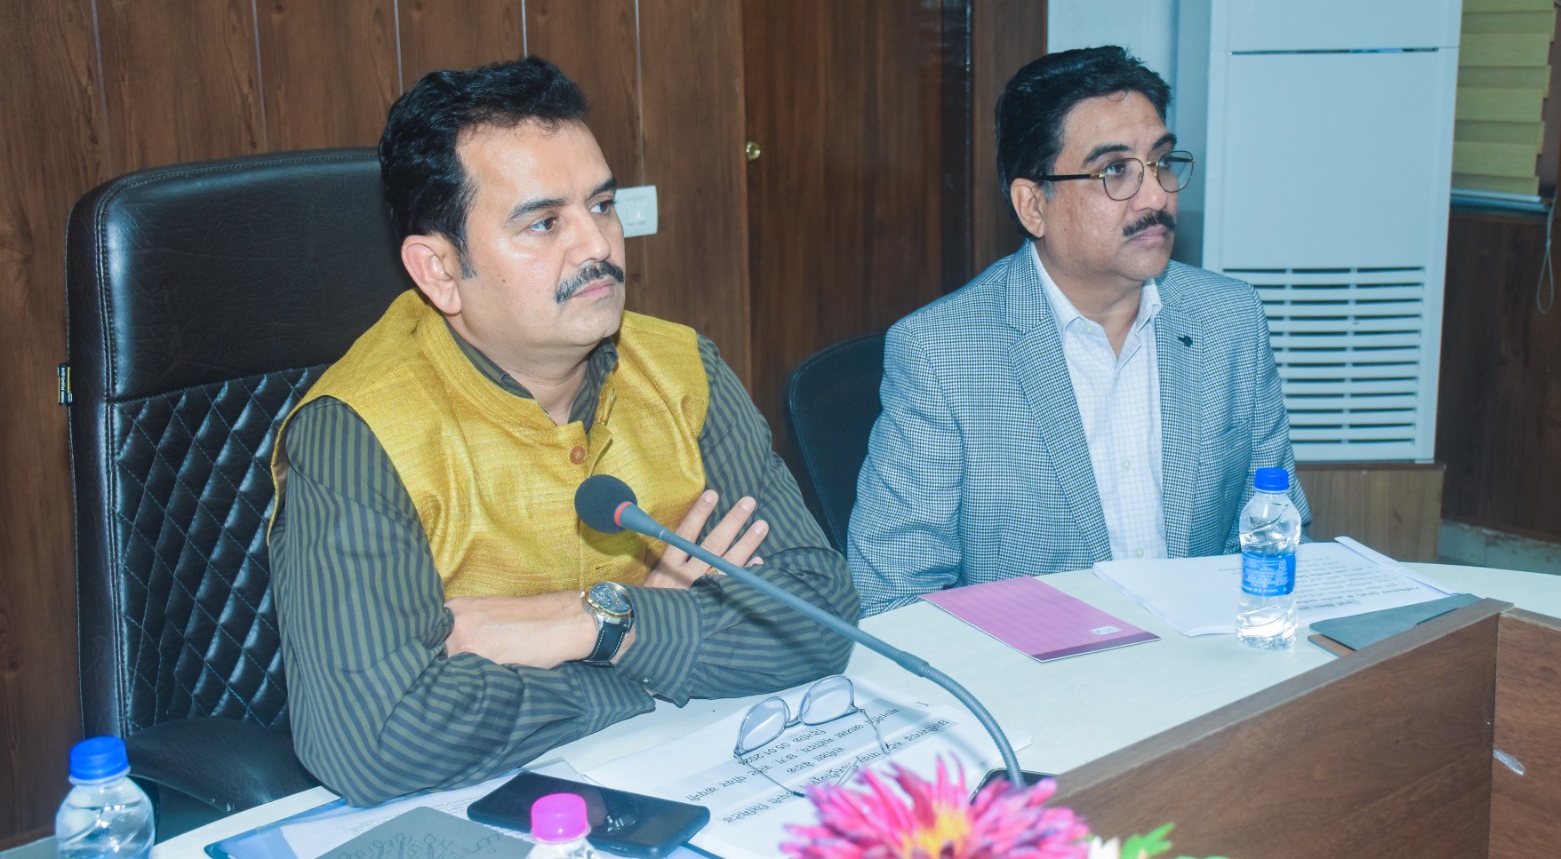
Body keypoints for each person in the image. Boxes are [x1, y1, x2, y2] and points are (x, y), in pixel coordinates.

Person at [269, 55, 855, 805]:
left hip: (690, 781)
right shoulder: (356, 434)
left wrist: (594, 625)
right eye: (544, 223)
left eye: (602, 205)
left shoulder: (682, 368)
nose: (598, 246)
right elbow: (375, 741)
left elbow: (817, 616)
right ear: (440, 271)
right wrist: (646, 652)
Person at [847, 46, 1311, 617]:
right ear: (1033, 206)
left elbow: (1274, 531)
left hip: (1206, 652)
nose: (1157, 196)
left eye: (1161, 163)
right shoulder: (940, 354)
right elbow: (893, 595)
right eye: (1115, 170)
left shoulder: (1229, 319)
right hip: (1029, 664)